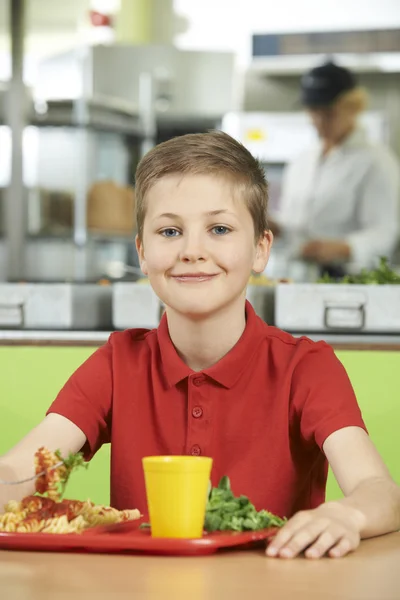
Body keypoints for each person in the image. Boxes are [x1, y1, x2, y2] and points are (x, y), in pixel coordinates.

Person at [1, 131, 399, 559]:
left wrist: (348, 516)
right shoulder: (118, 364)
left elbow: (380, 492)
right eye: (170, 231)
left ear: (260, 249)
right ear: (142, 251)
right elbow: (23, 468)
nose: (192, 250)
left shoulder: (306, 367)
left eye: (219, 228)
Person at [270, 60, 400, 278]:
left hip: (346, 282)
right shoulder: (301, 160)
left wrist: (342, 247)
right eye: (313, 111)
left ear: (353, 106)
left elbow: (385, 233)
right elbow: (295, 224)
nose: (319, 120)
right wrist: (276, 226)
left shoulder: (376, 162)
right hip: (295, 277)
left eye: (329, 112)